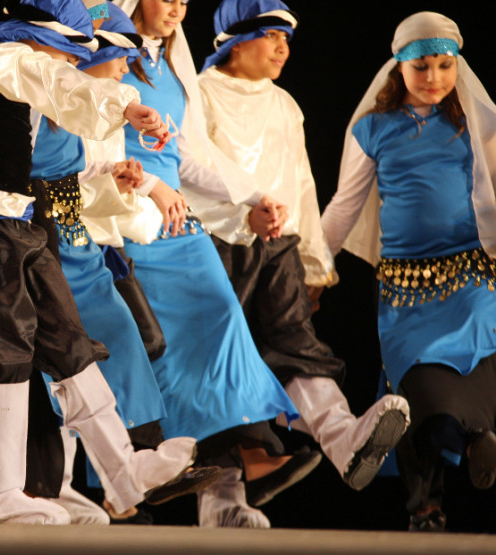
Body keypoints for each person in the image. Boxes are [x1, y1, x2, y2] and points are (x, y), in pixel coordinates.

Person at [0, 0, 221, 525]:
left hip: (21, 228)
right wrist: (128, 104)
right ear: (39, 37)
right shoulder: (1, 57)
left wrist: (134, 167)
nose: (66, 63)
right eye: (63, 51)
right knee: (5, 357)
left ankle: (125, 473)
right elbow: (57, 83)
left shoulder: (21, 68)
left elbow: (67, 130)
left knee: (71, 346)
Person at [192, 0, 411, 524]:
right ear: (235, 40)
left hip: (278, 250)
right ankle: (220, 498)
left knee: (298, 346)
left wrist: (313, 262)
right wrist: (243, 218)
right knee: (219, 367)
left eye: (287, 39)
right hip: (213, 249)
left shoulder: (285, 105)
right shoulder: (198, 96)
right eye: (271, 36)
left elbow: (301, 182)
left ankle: (345, 439)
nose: (283, 48)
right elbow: (190, 170)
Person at [112, 0, 316, 529]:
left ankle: (230, 482)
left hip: (177, 222)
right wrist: (149, 188)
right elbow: (88, 143)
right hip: (126, 215)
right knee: (158, 353)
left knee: (224, 319)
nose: (178, 8)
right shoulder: (103, 47)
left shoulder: (173, 61)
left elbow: (190, 153)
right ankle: (140, 478)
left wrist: (252, 197)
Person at [321, 11, 496, 532]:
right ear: (398, 68)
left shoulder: (473, 121)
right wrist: (311, 270)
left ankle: (474, 442)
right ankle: (429, 500)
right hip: (406, 290)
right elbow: (344, 207)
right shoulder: (372, 129)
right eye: (422, 67)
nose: (435, 78)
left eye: (446, 65)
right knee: (415, 389)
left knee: (478, 365)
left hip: (471, 277)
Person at [28, 1, 170, 525]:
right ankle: (57, 485)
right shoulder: (33, 86)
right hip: (37, 239)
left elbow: (80, 163)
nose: (114, 64)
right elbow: (20, 170)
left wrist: (120, 174)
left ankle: (135, 465)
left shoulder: (74, 96)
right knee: (56, 363)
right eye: (101, 51)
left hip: (77, 240)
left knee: (121, 340)